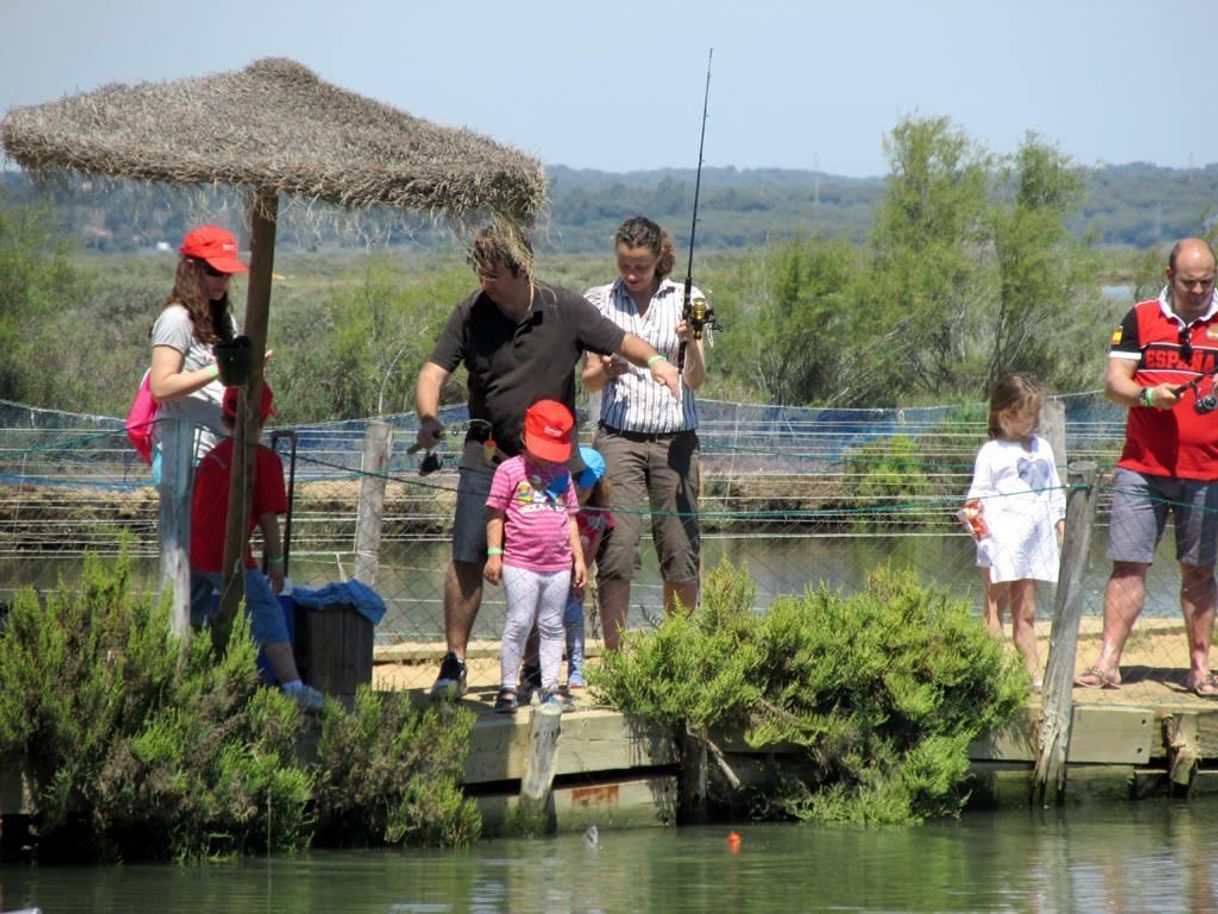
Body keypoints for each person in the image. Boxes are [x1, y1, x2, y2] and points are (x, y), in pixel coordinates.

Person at [414, 223, 681, 697]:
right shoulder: (470, 313)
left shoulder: (565, 308)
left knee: (548, 562)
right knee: (468, 554)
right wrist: (428, 417)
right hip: (488, 454)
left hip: (554, 464)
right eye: (480, 273)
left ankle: (537, 668)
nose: (484, 283)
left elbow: (622, 341)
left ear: (522, 269)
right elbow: (433, 372)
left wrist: (658, 361)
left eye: (493, 275)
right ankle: (454, 661)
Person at [1076, 237, 1218, 695]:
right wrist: (1146, 395)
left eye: (1207, 281)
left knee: (1199, 570)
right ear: (1169, 276)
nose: (1198, 290)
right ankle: (1107, 664)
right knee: (1128, 565)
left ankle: (1200, 670)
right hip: (1142, 466)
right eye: (1189, 281)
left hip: (1208, 471)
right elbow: (1114, 382)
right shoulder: (1140, 317)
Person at [582, 216, 709, 650]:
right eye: (624, 265)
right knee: (616, 549)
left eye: (641, 266)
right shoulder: (598, 301)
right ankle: (617, 659)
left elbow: (696, 380)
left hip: (676, 440)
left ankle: (679, 651)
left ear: (659, 259)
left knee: (680, 551)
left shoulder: (689, 299)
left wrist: (691, 343)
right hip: (618, 438)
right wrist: (604, 367)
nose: (632, 275)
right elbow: (590, 381)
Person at [189, 383, 324, 711]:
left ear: (225, 418)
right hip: (229, 556)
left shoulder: (210, 459)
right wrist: (276, 561)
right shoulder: (264, 461)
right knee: (267, 612)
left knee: (197, 614)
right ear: (262, 420)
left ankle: (195, 679)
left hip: (194, 552)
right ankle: (293, 687)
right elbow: (267, 519)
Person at [963, 374, 1066, 688]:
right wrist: (984, 540)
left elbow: (1053, 492)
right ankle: (990, 674)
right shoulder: (991, 453)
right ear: (1005, 415)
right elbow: (973, 503)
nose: (1034, 420)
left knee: (1027, 610)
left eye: (1037, 413)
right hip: (999, 544)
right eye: (1027, 414)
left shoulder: (1044, 448)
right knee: (994, 609)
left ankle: (1033, 674)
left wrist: (1061, 524)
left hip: (1033, 544)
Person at [485, 400, 586, 712]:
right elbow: (496, 514)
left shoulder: (564, 475)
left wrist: (578, 559)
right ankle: (506, 688)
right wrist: (494, 553)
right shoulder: (509, 470)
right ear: (525, 437)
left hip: (557, 565)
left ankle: (551, 687)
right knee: (519, 623)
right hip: (520, 563)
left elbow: (570, 518)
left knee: (553, 625)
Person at [148, 225, 245, 463]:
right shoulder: (176, 319)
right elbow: (160, 388)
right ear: (191, 270)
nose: (223, 279)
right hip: (183, 452)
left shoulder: (225, 320)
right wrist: (220, 368)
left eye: (227, 273)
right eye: (214, 271)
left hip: (220, 448)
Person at [565, 446, 614, 688]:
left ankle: (576, 671)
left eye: (587, 483)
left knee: (574, 620)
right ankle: (539, 669)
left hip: (574, 576)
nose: (580, 489)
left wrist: (584, 569)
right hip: (549, 571)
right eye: (576, 480)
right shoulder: (557, 506)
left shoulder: (598, 515)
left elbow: (593, 544)